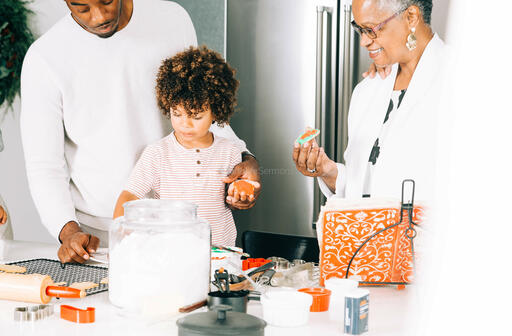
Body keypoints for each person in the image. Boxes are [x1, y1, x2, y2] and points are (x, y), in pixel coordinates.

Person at [20, 0, 260, 264]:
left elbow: (198, 103)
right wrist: (68, 231)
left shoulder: (171, 19)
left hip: (185, 230)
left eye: (107, 0)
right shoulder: (45, 58)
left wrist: (244, 157)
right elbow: (44, 165)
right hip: (101, 238)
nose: (99, 16)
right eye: (82, 7)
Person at [293, 0, 446, 202]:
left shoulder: (459, 82)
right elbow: (366, 188)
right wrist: (328, 172)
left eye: (371, 30)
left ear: (411, 17)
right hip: (369, 233)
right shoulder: (367, 91)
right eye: (359, 29)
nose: (363, 41)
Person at [113, 46, 254, 246]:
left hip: (220, 253)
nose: (185, 124)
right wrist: (120, 241)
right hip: (171, 251)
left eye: (196, 116)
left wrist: (241, 196)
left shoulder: (230, 152)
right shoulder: (158, 153)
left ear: (216, 111)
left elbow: (238, 198)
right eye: (176, 113)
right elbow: (129, 195)